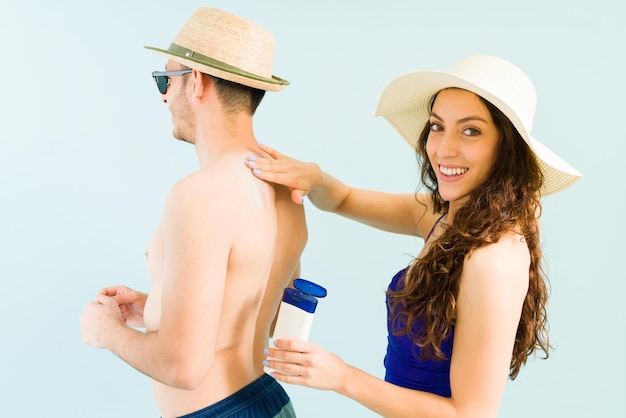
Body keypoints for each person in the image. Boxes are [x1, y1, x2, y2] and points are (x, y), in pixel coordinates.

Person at [246, 55, 582, 417]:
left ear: (507, 148)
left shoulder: (491, 259)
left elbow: (470, 414)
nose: (444, 149)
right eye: (438, 126)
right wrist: (314, 179)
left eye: (471, 130)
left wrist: (342, 377)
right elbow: (343, 198)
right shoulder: (443, 217)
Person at [80, 7, 306, 418]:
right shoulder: (285, 185)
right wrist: (157, 307)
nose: (164, 95)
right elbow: (261, 313)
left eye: (166, 79)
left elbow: (183, 366)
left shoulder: (199, 194)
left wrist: (107, 332)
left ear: (197, 82)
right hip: (269, 402)